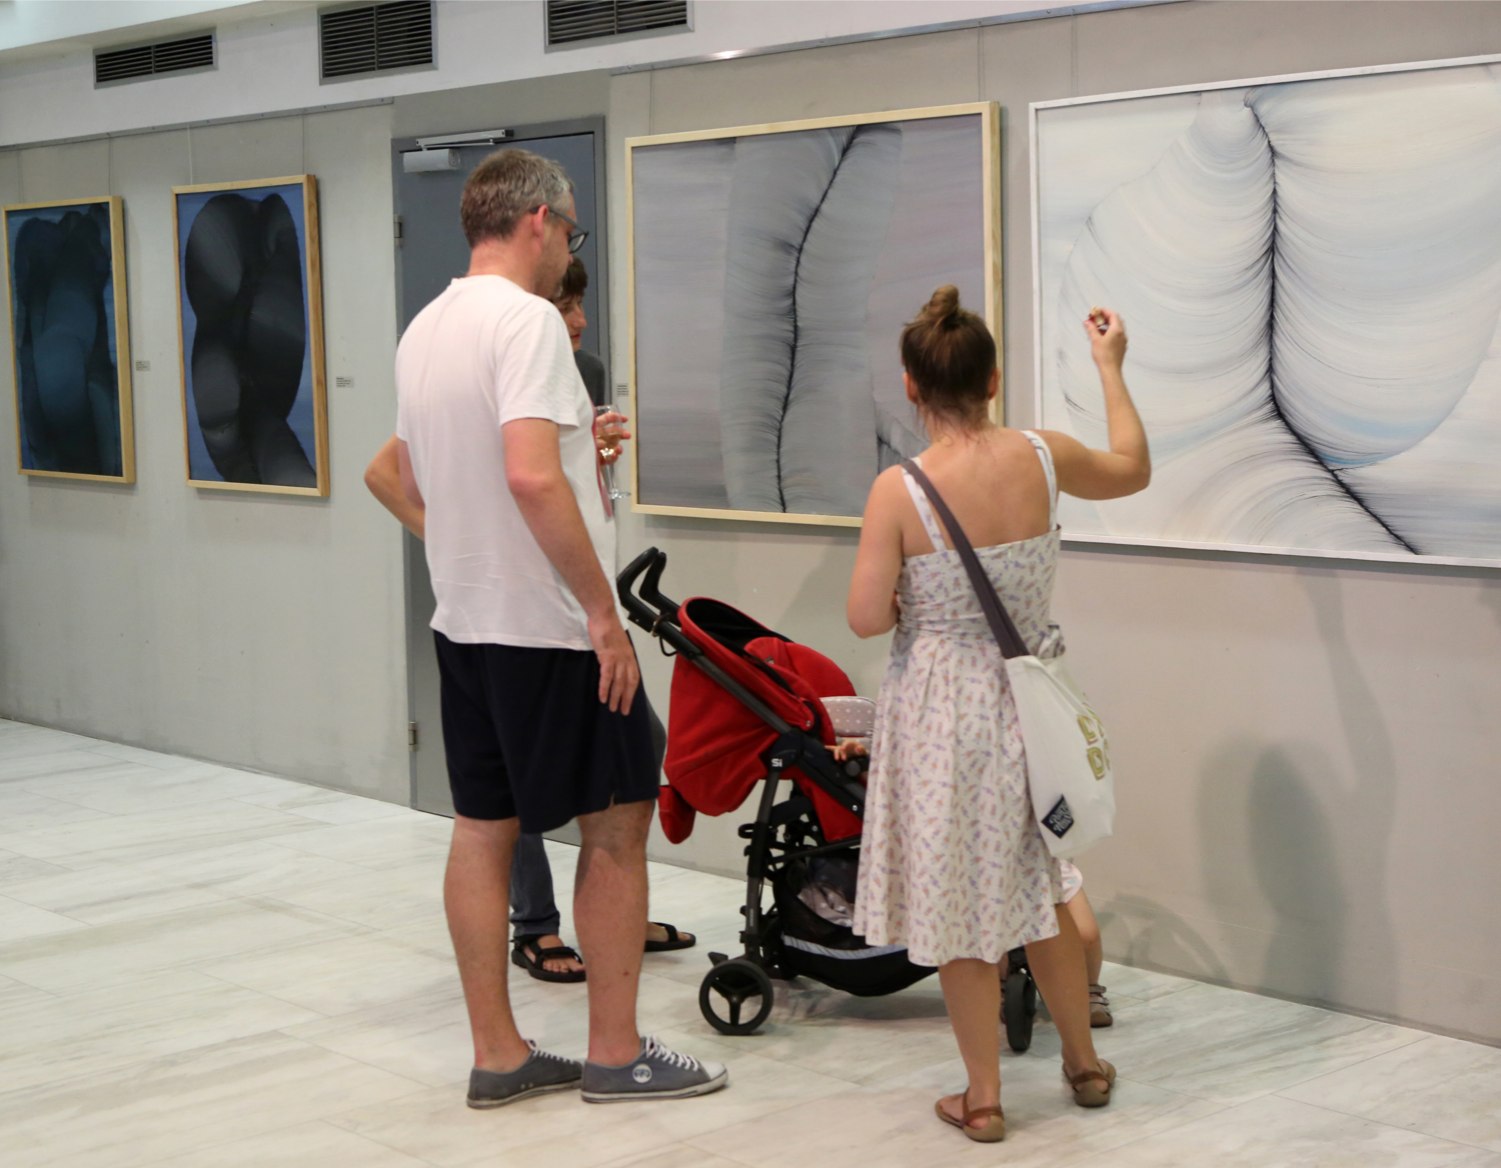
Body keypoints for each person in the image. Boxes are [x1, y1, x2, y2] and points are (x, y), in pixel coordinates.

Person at [390, 147, 727, 1108]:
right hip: (549, 628)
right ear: (538, 220)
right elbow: (531, 476)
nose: (569, 252)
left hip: (464, 622)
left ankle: (498, 1055)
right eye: (571, 233)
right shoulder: (527, 320)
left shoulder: (426, 328)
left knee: (481, 830)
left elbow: (414, 478)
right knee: (615, 826)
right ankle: (615, 1054)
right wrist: (602, 616)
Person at [846, 287, 1149, 1141]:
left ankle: (982, 1099)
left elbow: (864, 617)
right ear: (991, 380)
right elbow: (1133, 467)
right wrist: (1108, 366)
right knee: (1042, 888)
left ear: (911, 386)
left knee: (961, 908)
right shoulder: (1043, 457)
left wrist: (910, 596)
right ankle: (1083, 1065)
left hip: (944, 714)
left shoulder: (899, 489)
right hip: (1028, 701)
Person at [366, 257, 695, 984]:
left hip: (549, 604)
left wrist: (594, 457)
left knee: (625, 769)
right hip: (524, 615)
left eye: (578, 306)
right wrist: (455, 539)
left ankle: (613, 922)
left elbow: (554, 479)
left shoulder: (575, 365)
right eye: (566, 304)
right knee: (509, 803)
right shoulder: (500, 345)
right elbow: (393, 474)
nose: (577, 320)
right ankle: (537, 925)